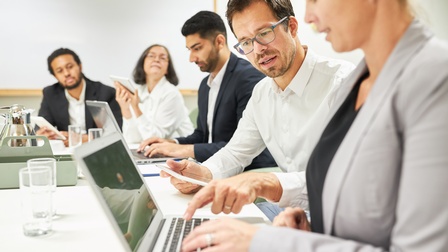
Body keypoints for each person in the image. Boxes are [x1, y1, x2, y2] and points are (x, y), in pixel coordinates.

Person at [181, 0, 448, 251]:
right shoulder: (362, 80)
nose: (309, 15)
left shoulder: (429, 78)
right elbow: (358, 193)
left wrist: (268, 239)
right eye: (246, 42)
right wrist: (312, 226)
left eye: (316, 0)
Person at [161, 0, 354, 219]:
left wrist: (268, 183)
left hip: (339, 217)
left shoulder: (342, 83)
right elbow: (236, 152)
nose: (258, 50)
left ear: (291, 26)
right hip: (291, 212)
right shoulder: (262, 92)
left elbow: (348, 177)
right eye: (245, 42)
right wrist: (203, 173)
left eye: (264, 33)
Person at [138, 11, 276, 169]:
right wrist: (171, 143)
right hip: (212, 165)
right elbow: (202, 135)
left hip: (245, 171)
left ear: (219, 42)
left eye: (197, 48)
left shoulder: (247, 78)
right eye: (189, 50)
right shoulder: (205, 85)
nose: (191, 58)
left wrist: (184, 150)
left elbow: (244, 147)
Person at [37, 48, 122, 146]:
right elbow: (41, 125)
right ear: (55, 76)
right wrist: (43, 134)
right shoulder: (50, 93)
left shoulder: (106, 93)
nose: (66, 73)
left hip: (98, 148)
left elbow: (116, 130)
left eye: (70, 67)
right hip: (67, 152)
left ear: (80, 66)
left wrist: (86, 138)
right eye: (59, 71)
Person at [114, 44, 194, 144]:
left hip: (179, 154)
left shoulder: (172, 94)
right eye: (151, 56)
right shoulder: (139, 91)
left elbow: (154, 139)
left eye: (162, 58)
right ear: (143, 63)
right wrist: (125, 109)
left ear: (167, 69)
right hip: (151, 152)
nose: (156, 60)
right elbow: (131, 139)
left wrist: (136, 108)